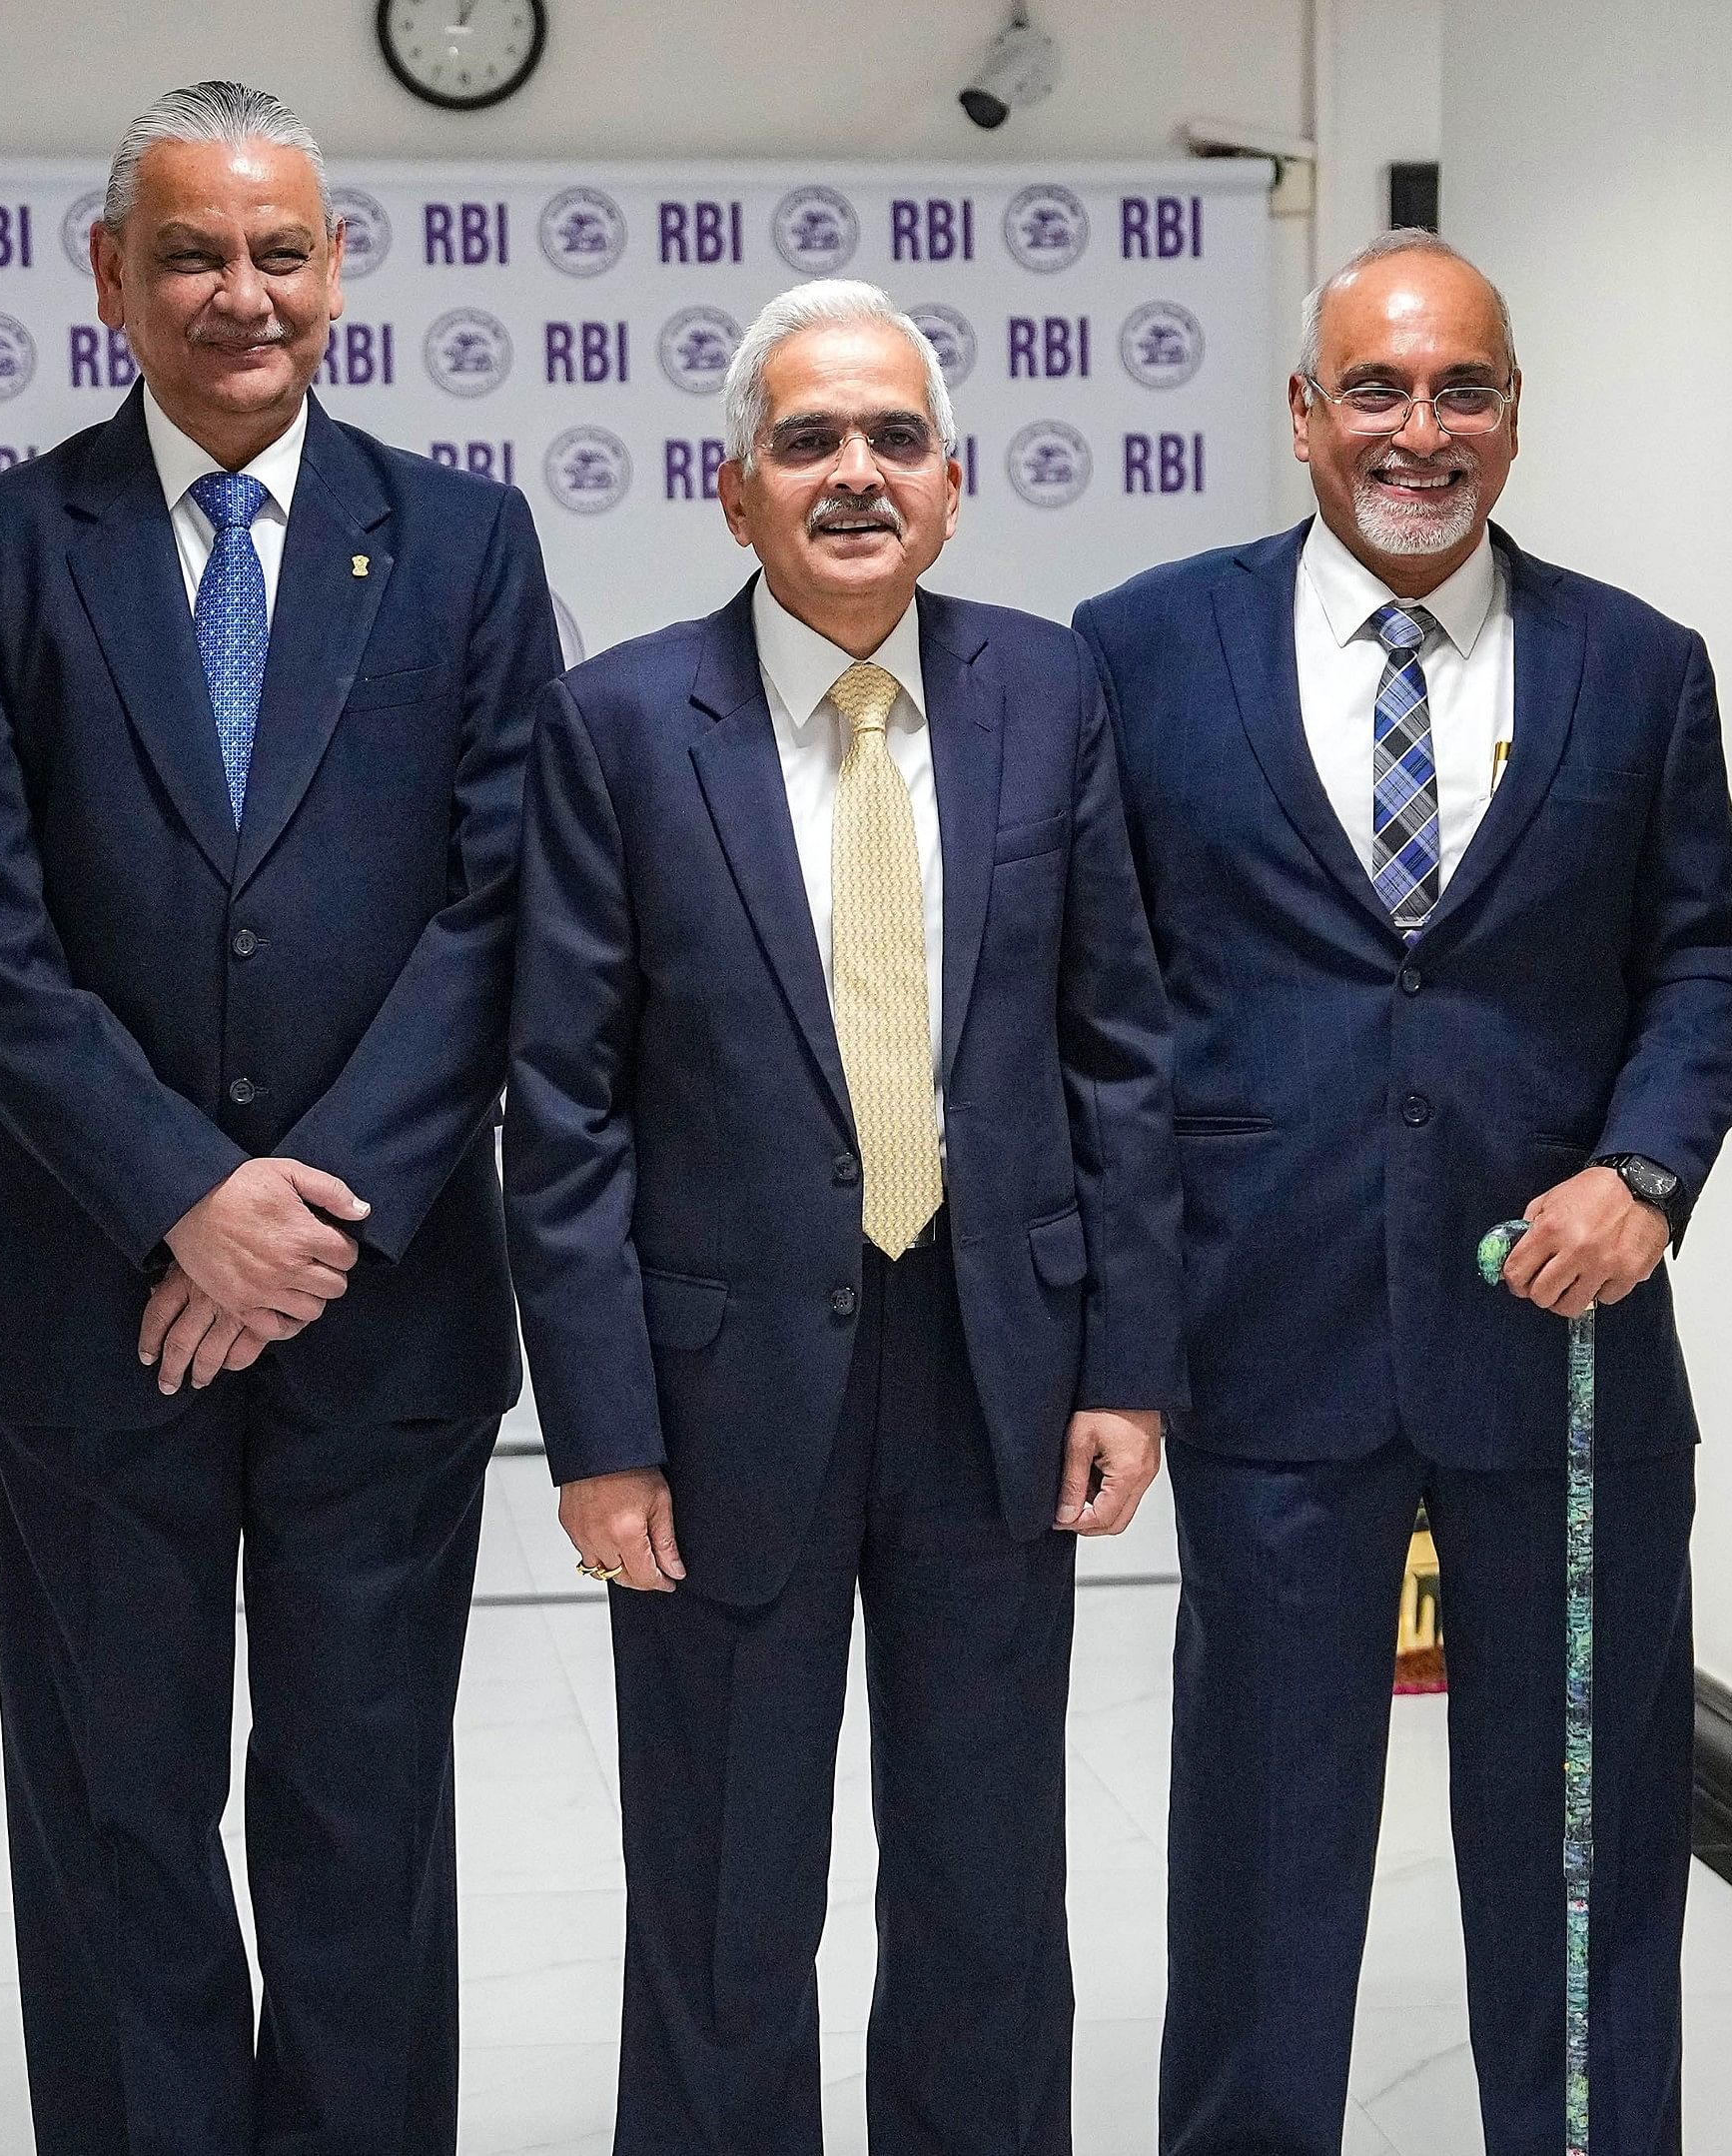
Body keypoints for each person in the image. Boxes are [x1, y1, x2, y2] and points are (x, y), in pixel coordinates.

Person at [0, 80, 562, 2156]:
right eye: (190, 251)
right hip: (104, 1303)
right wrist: (187, 1195)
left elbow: (497, 905)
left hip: (384, 1310)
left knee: (365, 1812)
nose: (238, 291)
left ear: (335, 272)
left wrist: (308, 1220)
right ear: (110, 278)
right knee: (119, 1816)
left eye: (280, 250)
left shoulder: (461, 543)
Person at [1074, 231, 1732, 2156]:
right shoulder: (1139, 650)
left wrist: (1644, 1170)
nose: (1418, 429)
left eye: (1462, 388)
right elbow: (1090, 1001)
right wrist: (1113, 1328)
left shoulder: (1637, 667)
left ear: (1515, 415)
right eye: (1374, 387)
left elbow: (1707, 963)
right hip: (1266, 1338)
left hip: (1564, 1350)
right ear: (1303, 414)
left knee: (1583, 1849)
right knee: (1262, 1843)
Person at [505, 278, 1182, 2156]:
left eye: (895, 437)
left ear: (956, 483)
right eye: (807, 440)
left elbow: (1119, 1047)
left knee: (984, 1886)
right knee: (725, 1897)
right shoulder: (623, 721)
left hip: (997, 1372)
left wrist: (1130, 1365)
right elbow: (558, 1107)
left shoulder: (1047, 689)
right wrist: (604, 1434)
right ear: (734, 491)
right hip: (720, 1401)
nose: (856, 473)